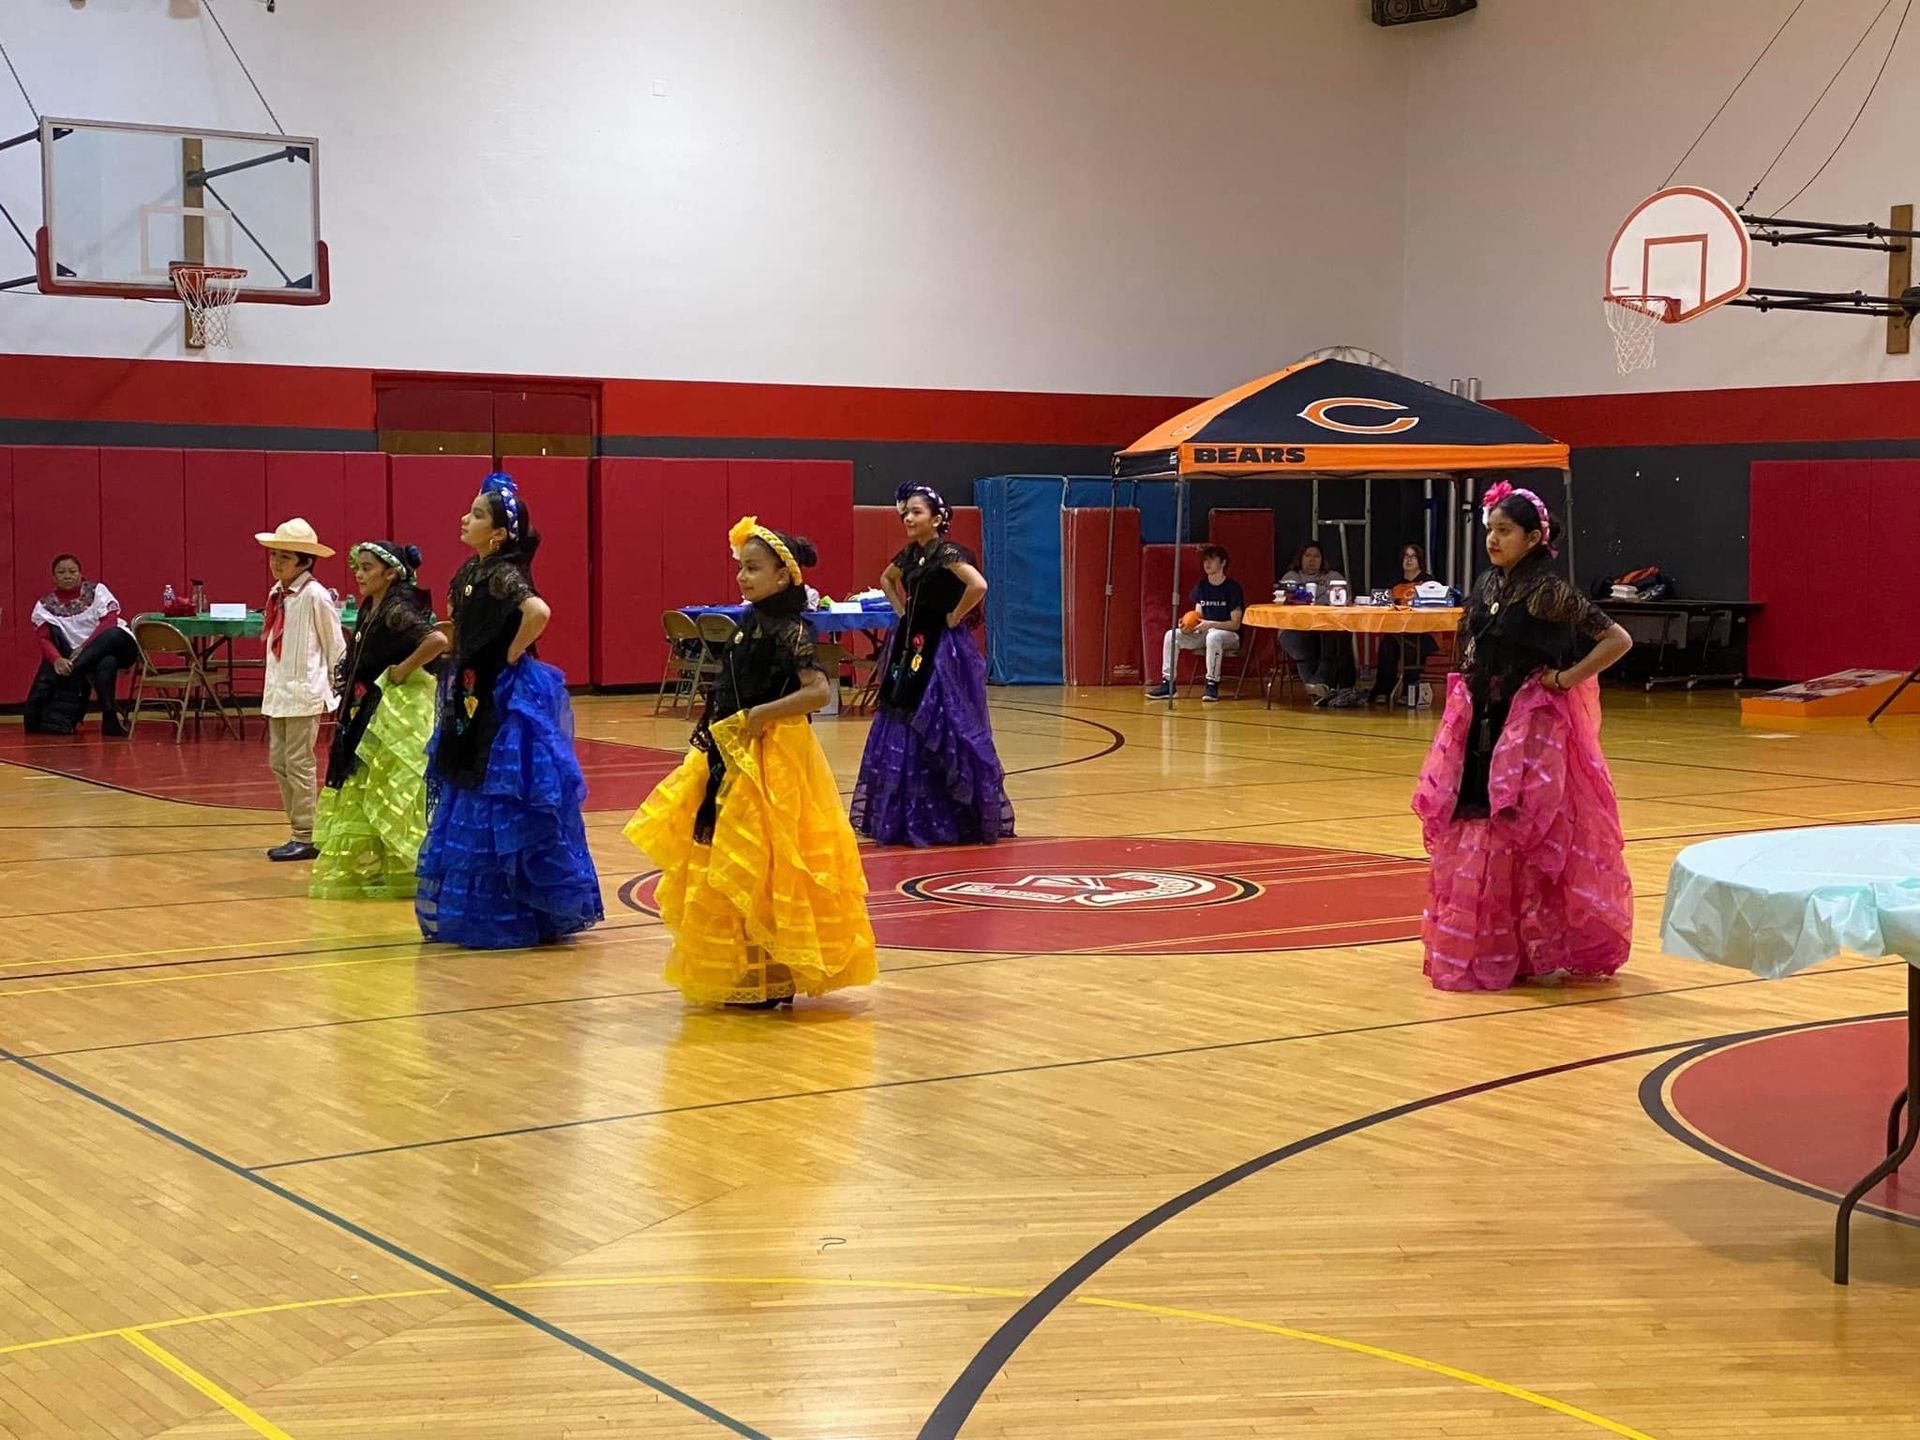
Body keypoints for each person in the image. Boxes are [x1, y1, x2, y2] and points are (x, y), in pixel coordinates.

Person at [627, 517, 877, 1008]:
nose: (743, 577)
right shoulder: (751, 623)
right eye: (741, 567)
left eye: (754, 569)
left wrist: (758, 716)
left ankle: (770, 971)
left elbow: (817, 691)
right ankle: (751, 970)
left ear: (782, 576)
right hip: (734, 746)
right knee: (735, 859)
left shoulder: (788, 631)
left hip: (773, 755)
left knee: (768, 860)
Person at [1411, 483, 1634, 992]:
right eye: (1490, 530)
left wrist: (1564, 679)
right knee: (1475, 818)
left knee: (1521, 826)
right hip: (1482, 723)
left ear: (1534, 537)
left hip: (1528, 732)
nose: (1493, 539)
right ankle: (1492, 944)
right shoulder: (1488, 585)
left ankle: (1530, 949)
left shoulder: (1549, 591)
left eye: (1504, 531)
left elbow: (1616, 639)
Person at [414, 472, 603, 948]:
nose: (466, 518)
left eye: (477, 514)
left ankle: (513, 911)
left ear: (498, 534)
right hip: (472, 692)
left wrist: (513, 653)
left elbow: (537, 611)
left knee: (503, 798)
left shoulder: (503, 572)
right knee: (470, 787)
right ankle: (486, 908)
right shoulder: (471, 571)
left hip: (504, 697)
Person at [849, 482, 1015, 847]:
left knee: (941, 719)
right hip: (910, 644)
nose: (908, 518)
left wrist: (954, 617)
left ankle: (950, 815)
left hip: (942, 648)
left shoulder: (949, 553)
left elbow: (979, 586)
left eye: (916, 512)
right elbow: (886, 580)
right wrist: (901, 611)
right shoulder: (910, 555)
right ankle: (901, 815)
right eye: (906, 512)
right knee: (900, 716)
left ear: (937, 519)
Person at [310, 541, 448, 901]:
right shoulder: (372, 607)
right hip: (365, 706)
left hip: (392, 713)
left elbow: (436, 639)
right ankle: (387, 867)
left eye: (367, 567)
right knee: (366, 783)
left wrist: (402, 670)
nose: (359, 573)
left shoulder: (397, 609)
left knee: (389, 783)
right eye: (357, 566)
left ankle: (405, 867)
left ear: (391, 573)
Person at [256, 519, 346, 861]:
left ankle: (306, 833)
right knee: (278, 761)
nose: (276, 563)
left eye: (285, 557)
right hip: (278, 691)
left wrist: (339, 691)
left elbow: (335, 645)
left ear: (304, 561)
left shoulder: (315, 596)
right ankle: (298, 827)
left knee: (299, 762)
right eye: (274, 556)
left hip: (304, 690)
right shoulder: (277, 594)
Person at [24, 554, 138, 737]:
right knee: (107, 662)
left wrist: (84, 649)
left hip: (119, 645)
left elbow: (109, 621)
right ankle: (109, 717)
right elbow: (44, 638)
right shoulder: (45, 606)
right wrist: (57, 660)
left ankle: (74, 669)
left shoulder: (97, 591)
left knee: (112, 634)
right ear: (53, 577)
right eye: (61, 572)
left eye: (72, 571)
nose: (67, 576)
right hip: (88, 658)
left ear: (80, 574)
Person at [1146, 544, 1244, 703]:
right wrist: (1187, 625)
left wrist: (1210, 624)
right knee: (1172, 635)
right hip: (1206, 631)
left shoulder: (1232, 588)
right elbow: (1198, 616)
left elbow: (1235, 624)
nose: (1207, 563)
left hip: (1230, 636)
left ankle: (1212, 683)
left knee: (1213, 636)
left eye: (1212, 560)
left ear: (1223, 563)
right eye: (1206, 560)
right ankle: (1168, 683)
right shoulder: (1202, 586)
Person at [1276, 541, 1354, 698]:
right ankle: (1327, 687)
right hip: (1296, 629)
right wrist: (1320, 597)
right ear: (1300, 558)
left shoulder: (1334, 577)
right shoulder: (1291, 577)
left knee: (1340, 635)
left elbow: (1344, 599)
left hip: (1327, 628)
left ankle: (1320, 688)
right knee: (1312, 643)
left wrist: (1306, 597)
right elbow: (1290, 598)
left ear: (1323, 559)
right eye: (1308, 556)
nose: (1312, 560)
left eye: (1317, 556)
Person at [1369, 542, 1438, 706]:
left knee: (1411, 646)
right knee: (1387, 645)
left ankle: (1409, 690)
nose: (1409, 560)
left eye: (1413, 556)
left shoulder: (1429, 582)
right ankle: (1383, 691)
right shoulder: (1394, 584)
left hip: (1422, 632)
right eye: (1406, 556)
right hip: (1397, 630)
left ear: (1419, 560)